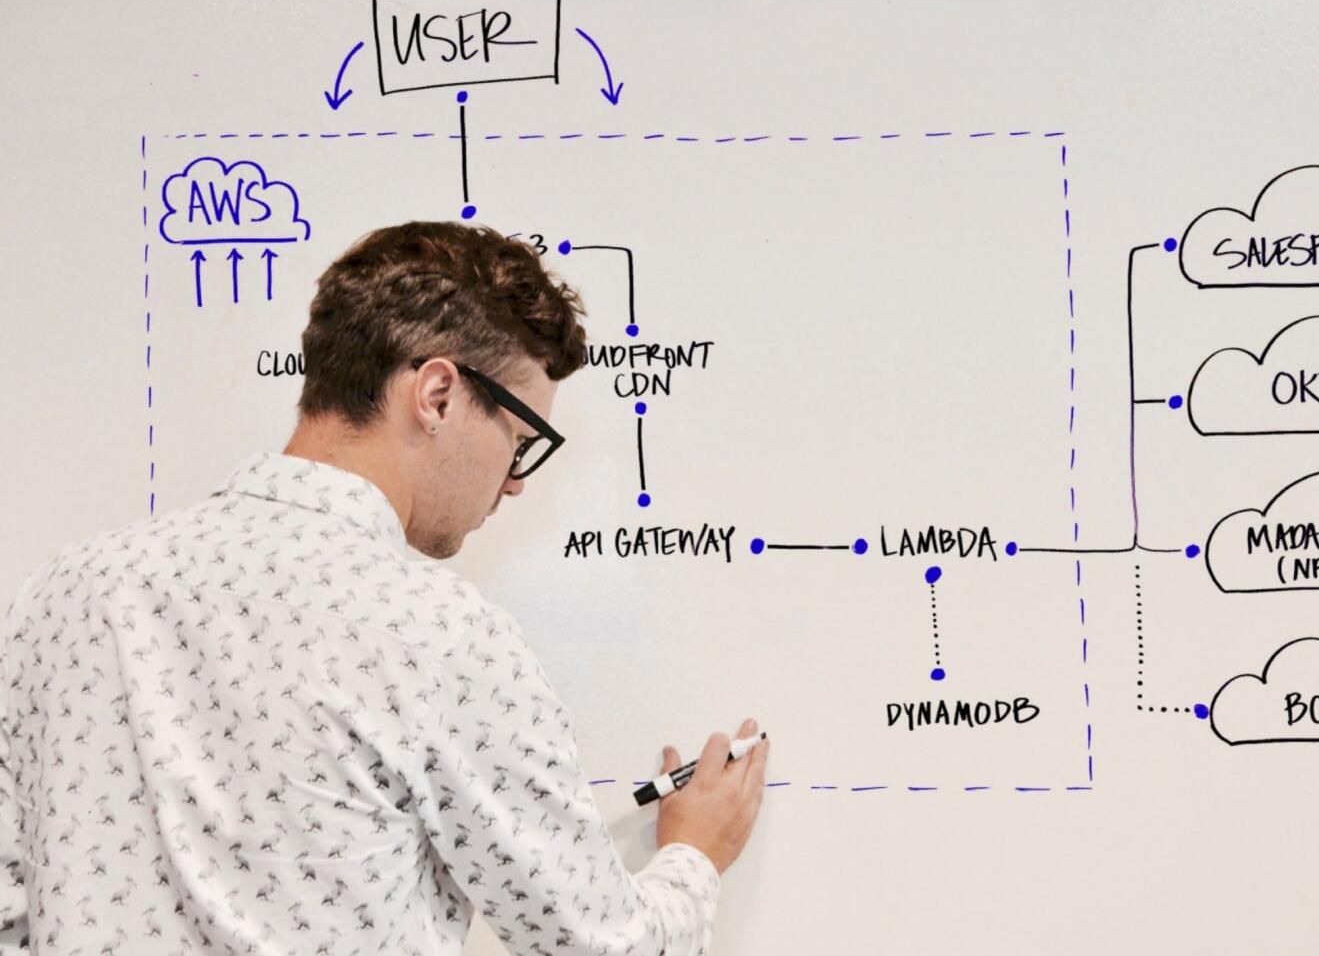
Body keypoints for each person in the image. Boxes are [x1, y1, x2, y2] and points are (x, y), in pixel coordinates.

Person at [0, 221, 767, 955]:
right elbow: (599, 945)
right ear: (437, 393)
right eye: (521, 441)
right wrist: (696, 853)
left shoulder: (63, 593)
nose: (514, 482)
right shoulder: (441, 635)